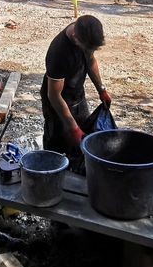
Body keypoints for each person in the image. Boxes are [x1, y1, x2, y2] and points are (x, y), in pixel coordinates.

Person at [41, 15, 111, 160]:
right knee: (57, 146)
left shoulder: (86, 36)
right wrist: (72, 127)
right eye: (86, 48)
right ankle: (53, 173)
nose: (88, 51)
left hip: (78, 97)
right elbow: (54, 95)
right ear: (75, 37)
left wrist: (101, 89)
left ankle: (76, 170)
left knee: (83, 138)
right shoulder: (59, 52)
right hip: (57, 103)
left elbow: (91, 61)